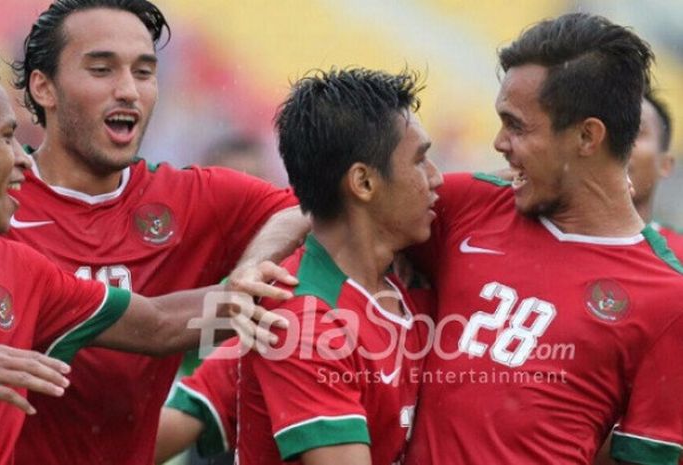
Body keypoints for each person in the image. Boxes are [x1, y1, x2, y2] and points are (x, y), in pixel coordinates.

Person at [7, 1, 307, 464]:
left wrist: (247, 271)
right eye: (102, 70)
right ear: (43, 87)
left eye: (145, 72)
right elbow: (158, 327)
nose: (128, 90)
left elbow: (303, 209)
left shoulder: (190, 199)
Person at [404, 13, 683, 465]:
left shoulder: (669, 299)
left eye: (516, 125)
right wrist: (264, 255)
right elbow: (338, 206)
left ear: (587, 136)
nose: (498, 142)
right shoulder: (467, 205)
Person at [236, 67, 440, 465]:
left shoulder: (405, 283)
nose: (437, 179)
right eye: (420, 161)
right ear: (363, 183)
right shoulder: (302, 322)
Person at [628, 92, 683, 255]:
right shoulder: (550, 242)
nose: (619, 143)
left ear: (665, 165)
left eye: (636, 131)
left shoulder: (678, 257)